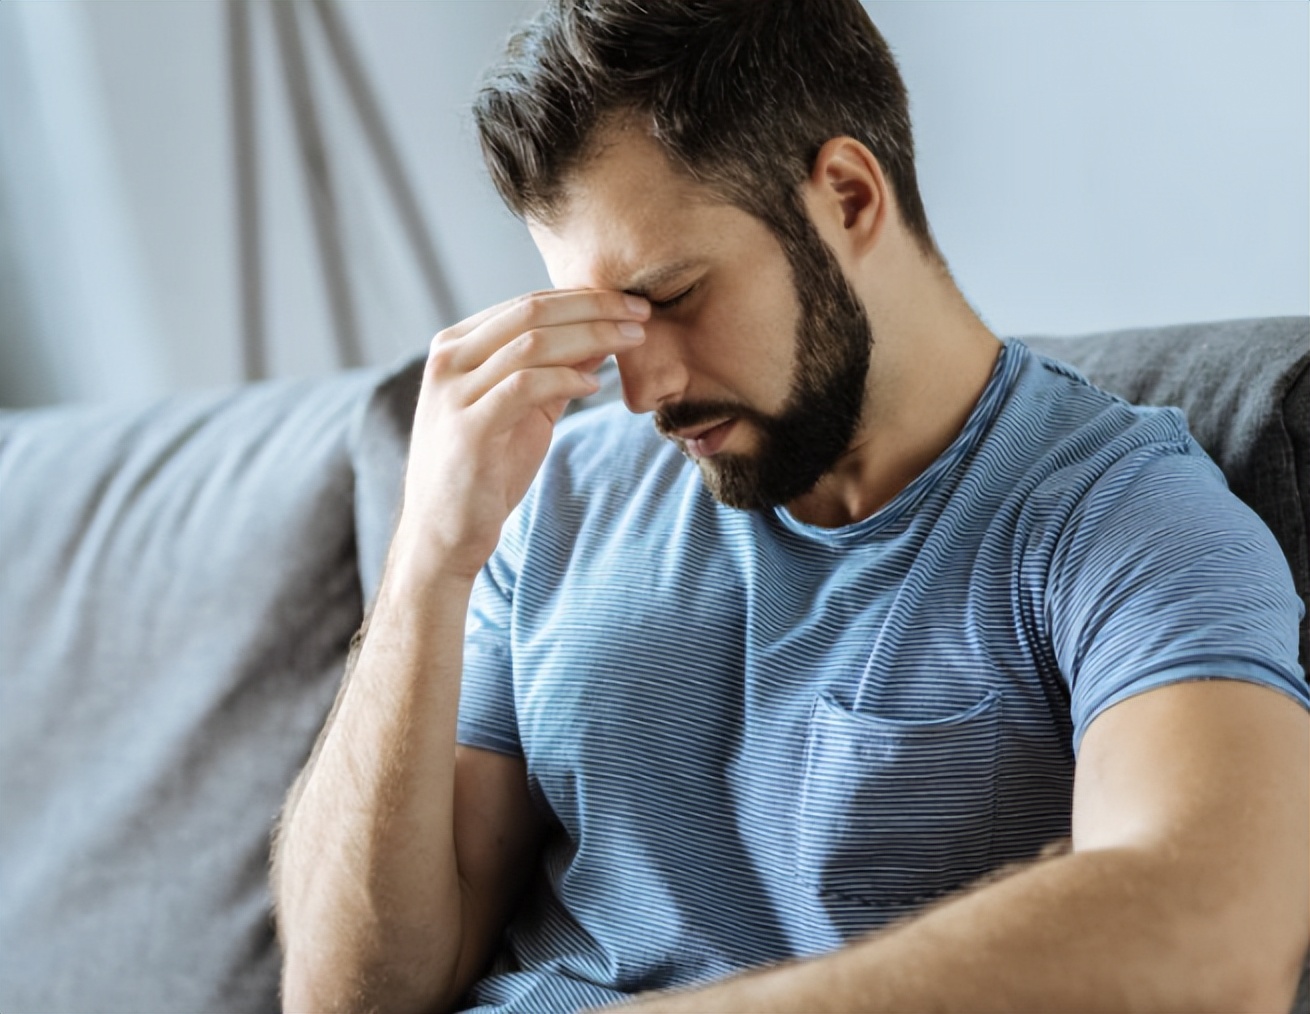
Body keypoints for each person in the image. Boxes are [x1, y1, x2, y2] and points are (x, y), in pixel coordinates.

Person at [271, 2, 1310, 1011]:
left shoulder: (1117, 519)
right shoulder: (555, 504)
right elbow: (345, 997)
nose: (642, 392)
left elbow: (1216, 938)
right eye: (607, 322)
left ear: (848, 197)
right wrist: (426, 562)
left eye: (672, 296)